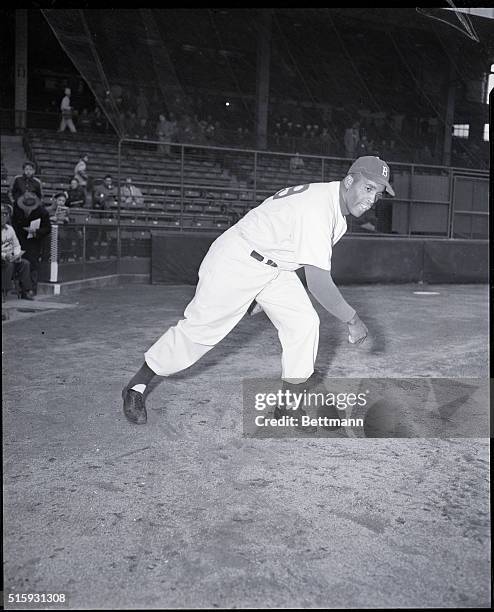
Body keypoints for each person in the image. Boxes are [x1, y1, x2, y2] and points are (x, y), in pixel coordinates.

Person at [122, 156, 395, 427]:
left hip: (273, 266)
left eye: (378, 193)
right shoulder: (319, 208)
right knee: (199, 332)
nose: (372, 199)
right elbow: (319, 284)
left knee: (303, 323)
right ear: (349, 181)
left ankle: (288, 406)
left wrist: (263, 296)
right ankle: (137, 386)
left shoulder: (336, 213)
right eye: (368, 187)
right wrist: (353, 321)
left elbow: (296, 253)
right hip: (237, 259)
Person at [11, 191, 51, 294]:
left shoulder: (42, 212)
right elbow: (14, 223)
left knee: (33, 264)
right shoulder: (17, 209)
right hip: (19, 239)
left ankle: (32, 288)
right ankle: (20, 287)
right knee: (20, 263)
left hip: (34, 241)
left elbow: (47, 228)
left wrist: (36, 232)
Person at [1, 203, 35, 300]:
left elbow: (16, 245)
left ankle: (26, 291)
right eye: (1, 214)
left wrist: (17, 255)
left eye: (5, 214)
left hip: (10, 257)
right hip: (3, 257)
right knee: (8, 265)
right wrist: (4, 255)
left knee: (25, 263)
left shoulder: (10, 229)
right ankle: (4, 291)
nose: (3, 217)